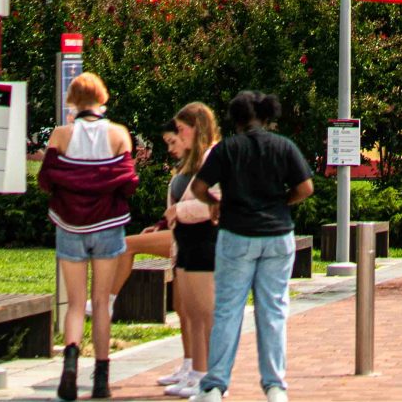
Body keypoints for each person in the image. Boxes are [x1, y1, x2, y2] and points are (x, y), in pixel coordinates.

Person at [195, 91, 314, 402]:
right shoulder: (283, 146)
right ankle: (275, 386)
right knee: (273, 310)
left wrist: (214, 202)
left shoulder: (227, 149)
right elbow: (305, 187)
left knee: (228, 310)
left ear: (235, 119)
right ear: (266, 116)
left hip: (236, 233)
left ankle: (215, 385)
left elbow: (199, 187)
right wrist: (284, 202)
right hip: (277, 234)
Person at [38, 72, 140, 402]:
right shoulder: (119, 134)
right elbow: (128, 181)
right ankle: (101, 379)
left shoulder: (61, 134)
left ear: (72, 100)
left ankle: (69, 367)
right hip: (108, 224)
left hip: (70, 225)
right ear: (102, 98)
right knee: (100, 302)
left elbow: (46, 179)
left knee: (74, 303)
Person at [125, 103, 221, 398]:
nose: (177, 136)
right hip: (186, 243)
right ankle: (197, 372)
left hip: (206, 240)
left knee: (205, 312)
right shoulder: (191, 162)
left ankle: (211, 377)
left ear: (197, 127)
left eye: (181, 130)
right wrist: (166, 220)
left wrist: (179, 211)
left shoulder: (214, 158)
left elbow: (217, 203)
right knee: (191, 311)